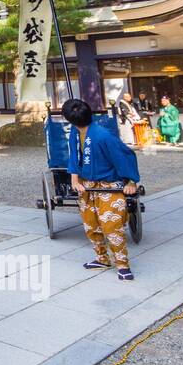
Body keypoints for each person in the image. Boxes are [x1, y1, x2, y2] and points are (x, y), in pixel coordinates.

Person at [63, 99, 140, 282]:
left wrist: (131, 181)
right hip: (86, 186)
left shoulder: (104, 136)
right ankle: (102, 258)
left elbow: (125, 156)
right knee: (91, 225)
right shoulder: (75, 131)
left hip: (109, 187)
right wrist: (74, 179)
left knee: (111, 226)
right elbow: (73, 154)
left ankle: (122, 264)